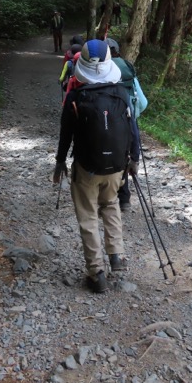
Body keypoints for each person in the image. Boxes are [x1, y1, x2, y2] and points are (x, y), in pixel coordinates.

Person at [53, 39, 141, 294]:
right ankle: (117, 255)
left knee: (88, 216)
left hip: (86, 168)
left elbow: (65, 134)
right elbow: (133, 131)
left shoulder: (75, 96)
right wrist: (133, 159)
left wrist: (60, 162)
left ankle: (96, 272)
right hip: (116, 167)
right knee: (111, 204)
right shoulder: (122, 93)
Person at [106, 38, 147, 212]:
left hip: (106, 119)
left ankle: (104, 194)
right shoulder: (128, 69)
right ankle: (124, 200)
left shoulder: (100, 69)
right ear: (118, 50)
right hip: (128, 119)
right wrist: (133, 116)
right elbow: (143, 102)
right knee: (124, 155)